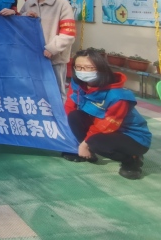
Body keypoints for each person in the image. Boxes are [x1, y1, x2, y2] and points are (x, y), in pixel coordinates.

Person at [63, 49, 151, 180]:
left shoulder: (117, 95)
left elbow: (107, 125)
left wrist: (85, 143)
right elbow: (70, 105)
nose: (83, 71)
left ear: (101, 68)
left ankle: (132, 160)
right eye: (79, 67)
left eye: (89, 67)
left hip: (132, 136)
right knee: (74, 116)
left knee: (95, 142)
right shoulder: (79, 84)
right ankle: (89, 152)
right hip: (102, 127)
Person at [20, 0, 76, 95]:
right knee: (35, 90)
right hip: (33, 56)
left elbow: (68, 32)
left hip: (55, 58)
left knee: (56, 92)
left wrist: (52, 48)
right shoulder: (29, 2)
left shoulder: (62, 3)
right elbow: (20, 23)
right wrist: (25, 15)